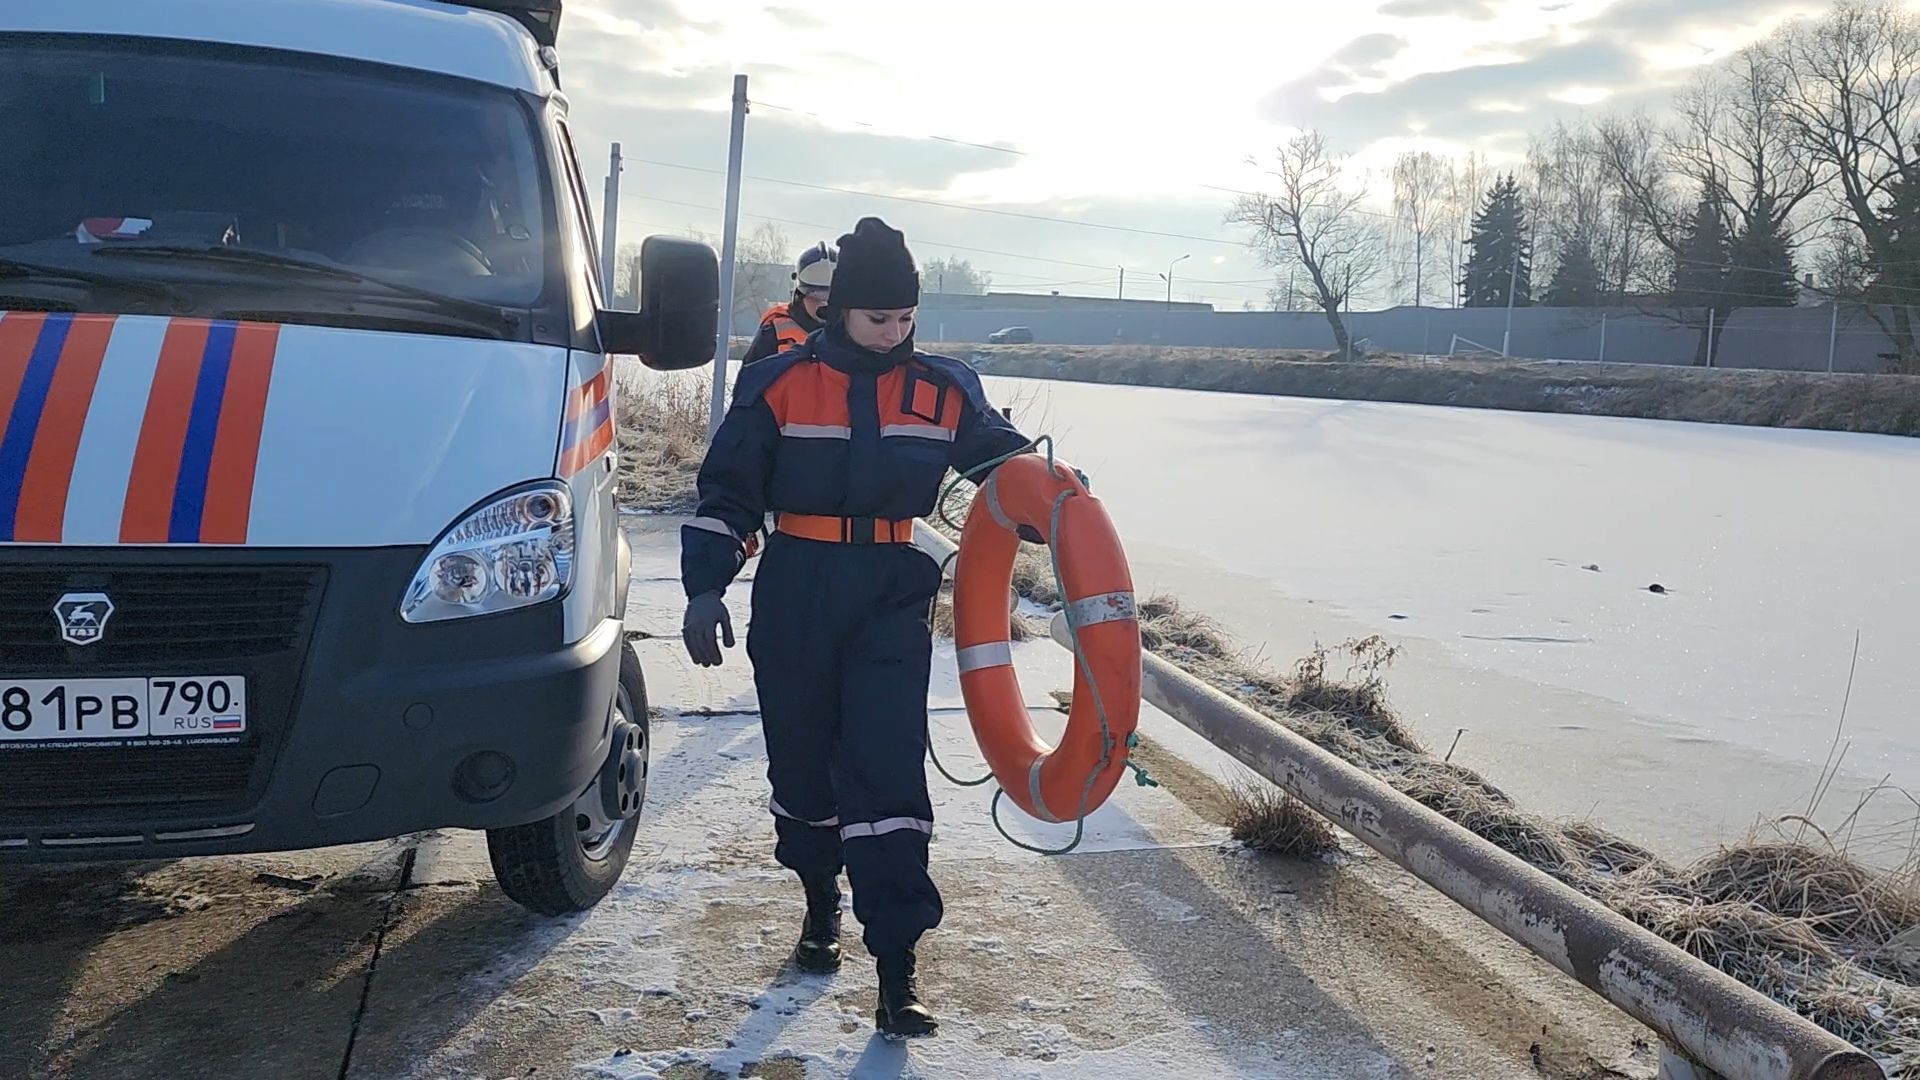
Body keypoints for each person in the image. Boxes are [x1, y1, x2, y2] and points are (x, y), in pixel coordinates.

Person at [679, 217, 1032, 1039]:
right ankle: (817, 903)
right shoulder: (777, 384)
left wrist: (1052, 500)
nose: (894, 335)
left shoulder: (944, 388)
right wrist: (705, 587)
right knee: (803, 772)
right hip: (799, 587)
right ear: (842, 311)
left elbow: (1000, 463)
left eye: (907, 320)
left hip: (889, 594)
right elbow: (729, 493)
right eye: (880, 320)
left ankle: (897, 968)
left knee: (885, 772)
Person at [742, 241, 836, 365]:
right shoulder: (774, 331)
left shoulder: (854, 332)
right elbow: (751, 378)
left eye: (833, 297)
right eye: (816, 295)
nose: (825, 303)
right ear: (800, 294)